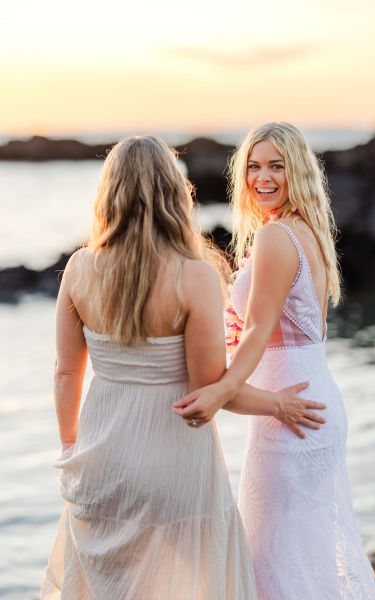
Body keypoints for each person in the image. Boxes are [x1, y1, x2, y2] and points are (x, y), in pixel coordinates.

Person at [40, 135, 326, 600]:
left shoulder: (78, 269)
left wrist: (71, 445)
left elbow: (65, 372)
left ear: (107, 192)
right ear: (176, 193)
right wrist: (279, 404)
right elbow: (209, 388)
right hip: (175, 463)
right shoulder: (194, 275)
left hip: (99, 455)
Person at [175, 123, 375, 599]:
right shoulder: (304, 230)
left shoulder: (276, 236)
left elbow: (255, 330)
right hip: (307, 395)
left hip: (290, 408)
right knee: (302, 554)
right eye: (254, 166)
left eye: (276, 166)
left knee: (277, 561)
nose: (263, 177)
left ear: (298, 173)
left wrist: (220, 390)